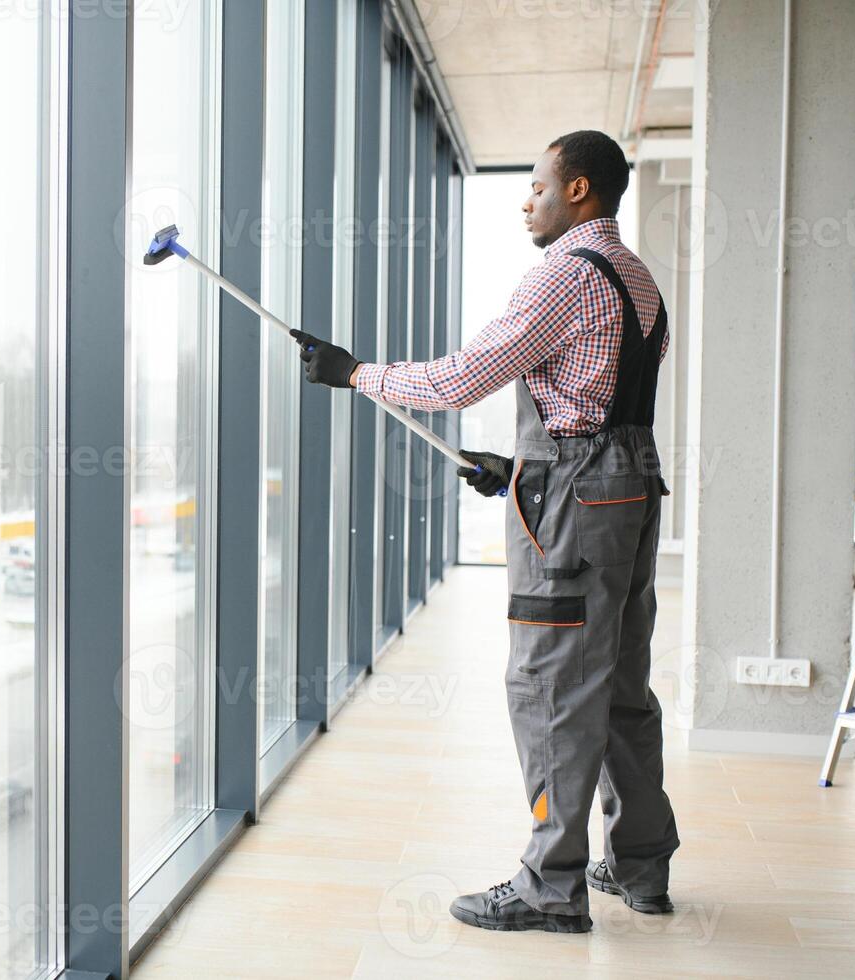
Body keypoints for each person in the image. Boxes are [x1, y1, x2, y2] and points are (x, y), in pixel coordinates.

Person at [291, 130, 680, 934]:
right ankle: (641, 867)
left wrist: (355, 374)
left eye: (536, 185)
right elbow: (596, 411)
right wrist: (515, 468)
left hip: (578, 498)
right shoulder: (637, 279)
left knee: (550, 684)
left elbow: (462, 377)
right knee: (617, 686)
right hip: (629, 489)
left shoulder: (564, 277)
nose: (525, 199)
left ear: (578, 191)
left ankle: (549, 887)